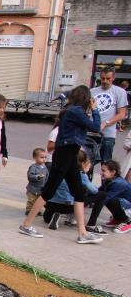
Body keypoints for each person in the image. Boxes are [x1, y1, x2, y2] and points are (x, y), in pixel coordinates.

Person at [20, 85, 103, 244]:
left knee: (78, 193)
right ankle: (26, 225)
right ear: (85, 98)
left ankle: (82, 233)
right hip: (65, 154)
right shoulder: (76, 111)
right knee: (49, 190)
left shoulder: (71, 110)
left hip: (68, 154)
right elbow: (96, 127)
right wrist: (95, 109)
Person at [43, 151, 97, 231]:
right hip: (68, 206)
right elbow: (94, 190)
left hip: (50, 203)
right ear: (83, 163)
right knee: (97, 195)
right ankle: (73, 218)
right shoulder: (80, 174)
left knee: (47, 219)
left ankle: (55, 215)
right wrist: (85, 173)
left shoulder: (57, 169)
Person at [91, 67, 128, 163]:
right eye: (103, 78)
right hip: (91, 133)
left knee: (105, 164)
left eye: (108, 78)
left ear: (113, 78)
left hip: (108, 135)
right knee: (87, 164)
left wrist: (105, 123)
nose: (105, 81)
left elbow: (122, 114)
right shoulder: (92, 91)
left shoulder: (120, 92)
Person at [94, 160, 131, 233]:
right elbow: (98, 192)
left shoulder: (118, 183)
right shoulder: (108, 180)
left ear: (113, 172)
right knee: (106, 198)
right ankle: (118, 219)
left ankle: (127, 221)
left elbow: (105, 199)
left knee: (110, 200)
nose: (101, 173)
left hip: (129, 207)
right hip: (126, 205)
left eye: (103, 171)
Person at [26, 148, 48, 215]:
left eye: (45, 157)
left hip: (41, 188)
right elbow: (30, 176)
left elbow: (47, 176)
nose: (44, 159)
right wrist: (37, 176)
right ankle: (29, 210)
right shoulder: (33, 167)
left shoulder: (45, 167)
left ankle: (37, 210)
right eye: (41, 157)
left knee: (38, 200)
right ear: (35, 158)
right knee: (32, 200)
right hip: (32, 188)